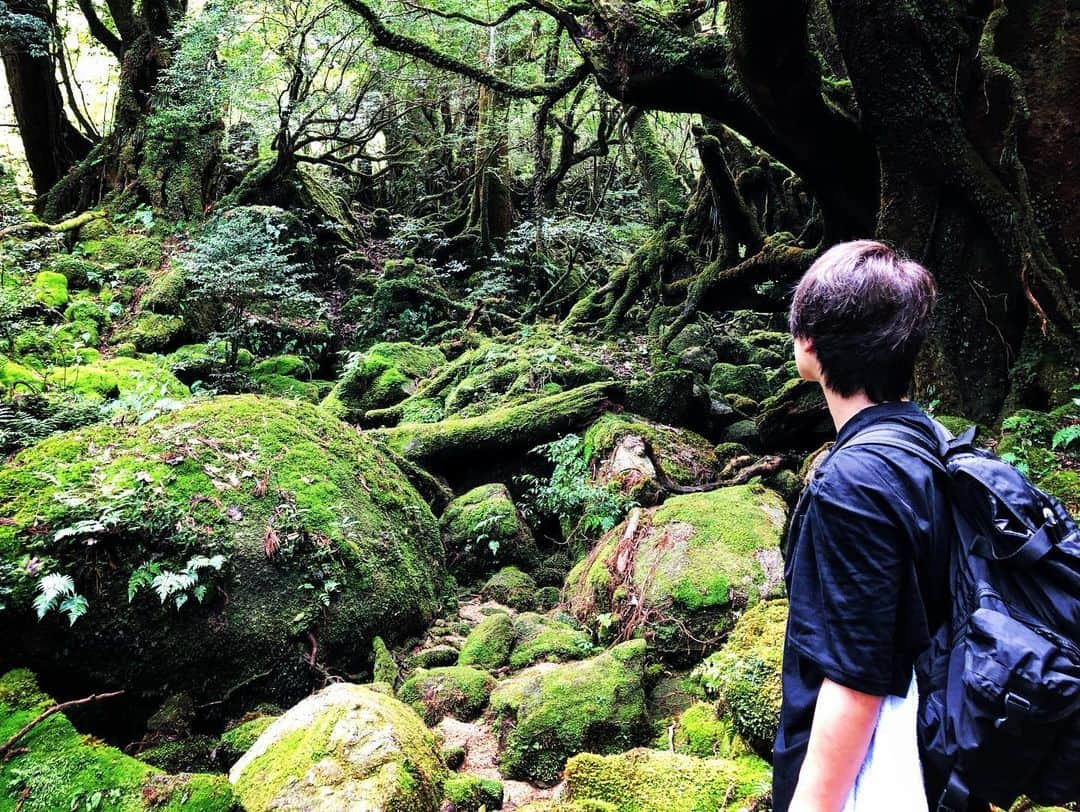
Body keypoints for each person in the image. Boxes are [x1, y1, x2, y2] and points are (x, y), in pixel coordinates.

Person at [772, 240, 954, 811]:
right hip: (936, 743)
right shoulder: (926, 440)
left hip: (884, 771)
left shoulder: (852, 484)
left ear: (811, 343)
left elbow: (855, 679)